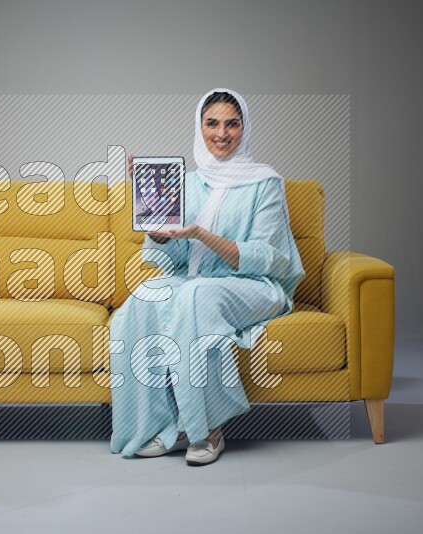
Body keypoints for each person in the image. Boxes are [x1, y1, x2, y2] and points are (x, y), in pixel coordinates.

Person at [109, 88, 305, 466]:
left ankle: (206, 428)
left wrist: (202, 233)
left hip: (254, 286)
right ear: (199, 128)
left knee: (195, 298)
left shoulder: (265, 182)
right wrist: (156, 227)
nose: (221, 133)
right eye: (212, 123)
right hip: (196, 281)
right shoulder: (190, 183)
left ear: (245, 129)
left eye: (232, 124)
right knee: (145, 297)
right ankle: (160, 425)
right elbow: (179, 259)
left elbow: (268, 257)